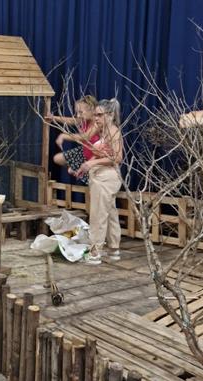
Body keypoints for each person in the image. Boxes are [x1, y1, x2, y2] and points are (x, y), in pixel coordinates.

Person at [75, 99, 124, 265]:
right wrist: (87, 164)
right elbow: (104, 153)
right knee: (110, 212)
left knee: (98, 214)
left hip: (106, 177)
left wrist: (93, 163)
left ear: (110, 115)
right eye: (95, 114)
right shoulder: (105, 132)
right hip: (100, 175)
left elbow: (118, 157)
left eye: (99, 115)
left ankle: (95, 252)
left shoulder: (113, 132)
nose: (95, 118)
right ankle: (114, 249)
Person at [46, 95, 99, 184]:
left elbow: (85, 136)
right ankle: (78, 170)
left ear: (92, 109)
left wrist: (64, 136)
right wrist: (53, 118)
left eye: (81, 112)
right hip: (84, 153)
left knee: (93, 183)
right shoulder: (83, 120)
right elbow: (70, 120)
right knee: (57, 158)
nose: (78, 115)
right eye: (77, 112)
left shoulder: (97, 123)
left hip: (95, 156)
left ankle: (81, 172)